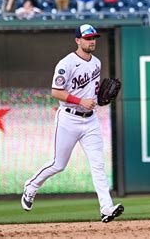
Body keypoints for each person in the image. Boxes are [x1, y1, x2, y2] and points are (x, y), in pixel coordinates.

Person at [21, 24, 124, 223]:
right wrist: (80, 101)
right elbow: (56, 91)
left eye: (93, 37)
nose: (91, 41)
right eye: (87, 38)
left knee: (98, 166)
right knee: (58, 164)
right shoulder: (66, 63)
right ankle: (31, 186)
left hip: (90, 120)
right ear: (78, 40)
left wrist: (99, 99)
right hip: (69, 119)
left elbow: (93, 91)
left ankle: (106, 208)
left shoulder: (96, 63)